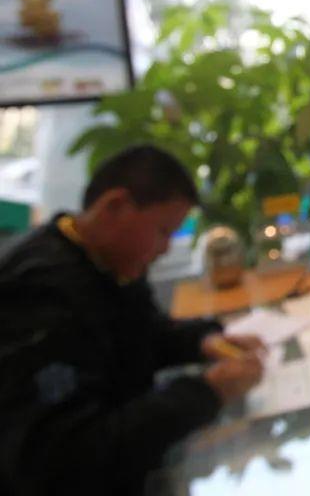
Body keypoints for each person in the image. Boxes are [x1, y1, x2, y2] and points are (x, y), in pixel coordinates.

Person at [0, 145, 265, 495]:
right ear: (115, 206)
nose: (165, 249)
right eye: (163, 231)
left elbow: (143, 334)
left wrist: (204, 341)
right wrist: (206, 392)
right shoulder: (39, 295)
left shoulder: (105, 261)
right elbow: (66, 457)